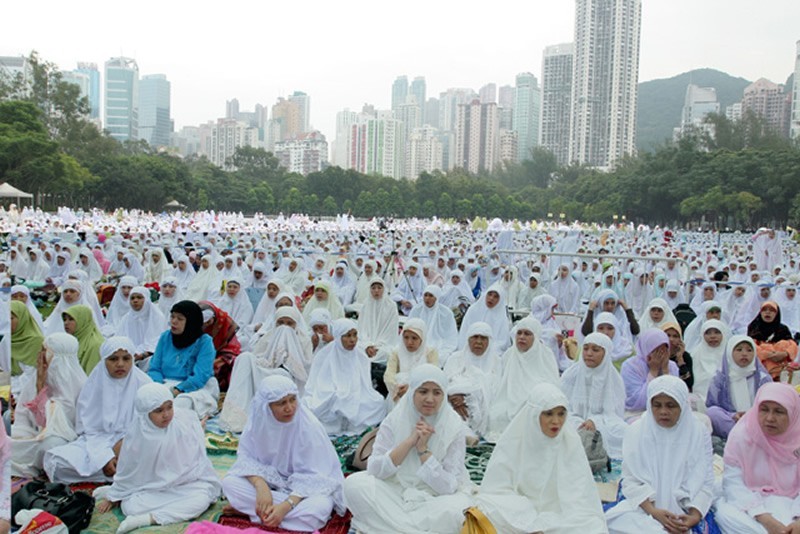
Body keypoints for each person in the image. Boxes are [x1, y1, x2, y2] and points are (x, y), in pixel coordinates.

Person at [344, 364, 471, 534]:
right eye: (423, 391)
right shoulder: (395, 419)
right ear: (412, 392)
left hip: (434, 498)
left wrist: (423, 450)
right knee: (354, 485)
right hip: (395, 490)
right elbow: (374, 469)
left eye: (437, 392)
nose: (430, 399)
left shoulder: (454, 426)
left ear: (444, 395)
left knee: (457, 510)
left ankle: (391, 527)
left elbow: (448, 487)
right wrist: (410, 441)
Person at [475, 382, 608, 533]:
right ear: (534, 413)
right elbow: (496, 489)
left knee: (593, 525)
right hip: (520, 511)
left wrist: (554, 520)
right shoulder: (514, 440)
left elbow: (579, 494)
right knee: (486, 507)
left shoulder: (570, 441)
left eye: (561, 414)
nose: (556, 421)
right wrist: (527, 515)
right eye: (549, 413)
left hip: (560, 515)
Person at [93, 383, 221, 534]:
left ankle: (148, 519)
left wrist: (197, 430)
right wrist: (114, 496)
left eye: (169, 407)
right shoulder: (138, 436)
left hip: (183, 484)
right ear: (145, 413)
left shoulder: (181, 423)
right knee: (131, 507)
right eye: (159, 410)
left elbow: (195, 458)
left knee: (201, 500)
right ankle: (119, 492)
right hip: (151, 487)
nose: (166, 414)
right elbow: (128, 470)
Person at [221, 375, 345, 530]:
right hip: (270, 483)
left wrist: (286, 506)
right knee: (230, 483)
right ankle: (271, 514)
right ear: (267, 407)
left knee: (318, 508)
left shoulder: (308, 426)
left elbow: (317, 476)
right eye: (281, 403)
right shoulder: (258, 423)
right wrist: (260, 486)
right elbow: (246, 458)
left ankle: (257, 512)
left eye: (293, 399)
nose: (290, 408)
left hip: (305, 491)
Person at [605, 376, 714, 534]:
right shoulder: (636, 431)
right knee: (615, 521)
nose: (663, 412)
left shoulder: (698, 431)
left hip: (685, 509)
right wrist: (654, 512)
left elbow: (706, 481)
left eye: (671, 406)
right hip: (645, 508)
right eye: (657, 405)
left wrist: (694, 516)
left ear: (682, 406)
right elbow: (631, 480)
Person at [43, 337, 152, 483]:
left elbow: (150, 425)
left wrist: (122, 445)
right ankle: (121, 474)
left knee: (149, 457)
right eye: (113, 359)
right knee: (54, 461)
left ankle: (120, 472)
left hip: (134, 443)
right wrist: (104, 457)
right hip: (97, 443)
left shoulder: (145, 385)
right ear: (104, 360)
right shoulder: (93, 385)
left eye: (126, 358)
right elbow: (89, 429)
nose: (120, 364)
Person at [714, 382, 800, 533]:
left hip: (792, 504)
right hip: (752, 503)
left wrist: (798, 520)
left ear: (793, 413)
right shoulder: (742, 435)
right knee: (725, 514)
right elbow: (733, 484)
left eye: (779, 412)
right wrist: (766, 519)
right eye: (764, 410)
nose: (770, 418)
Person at [219, 307, 312, 433]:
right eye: (281, 323)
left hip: (287, 376)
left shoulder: (303, 339)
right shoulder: (268, 336)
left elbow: (305, 370)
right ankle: (236, 416)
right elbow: (258, 356)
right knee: (244, 357)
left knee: (279, 375)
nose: (285, 327)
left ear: (296, 324)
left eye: (289, 323)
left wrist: (287, 357)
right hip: (265, 370)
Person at [11, 333, 87, 477]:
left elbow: (58, 424)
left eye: (44, 351)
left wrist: (40, 388)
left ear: (56, 356)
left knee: (50, 446)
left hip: (67, 439)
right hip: (36, 433)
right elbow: (25, 417)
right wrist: (39, 382)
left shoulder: (80, 383)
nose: (40, 356)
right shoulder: (39, 375)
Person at [303, 318, 386, 435]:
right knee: (332, 402)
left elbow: (365, 385)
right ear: (338, 337)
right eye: (347, 336)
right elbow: (318, 383)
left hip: (358, 393)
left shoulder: (361, 355)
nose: (352, 340)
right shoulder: (324, 354)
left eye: (355, 335)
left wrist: (351, 393)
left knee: (378, 403)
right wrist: (337, 392)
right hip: (332, 393)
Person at [488, 317, 559, 440]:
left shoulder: (546, 355)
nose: (521, 337)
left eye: (527, 334)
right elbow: (500, 384)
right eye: (519, 333)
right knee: (497, 414)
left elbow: (552, 385)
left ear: (536, 337)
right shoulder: (509, 355)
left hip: (535, 401)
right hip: (508, 400)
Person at [148, 300, 219, 418]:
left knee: (180, 405)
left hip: (194, 388)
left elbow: (200, 376)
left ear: (191, 322)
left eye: (180, 319)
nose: (173, 322)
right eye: (172, 317)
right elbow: (155, 367)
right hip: (164, 383)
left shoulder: (204, 342)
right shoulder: (166, 337)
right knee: (148, 398)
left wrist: (177, 390)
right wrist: (158, 386)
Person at [561, 332, 627, 458]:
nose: (589, 354)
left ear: (606, 353)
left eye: (595, 350)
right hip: (574, 421)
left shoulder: (614, 378)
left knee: (623, 431)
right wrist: (579, 421)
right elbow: (562, 407)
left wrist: (594, 421)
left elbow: (614, 414)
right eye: (585, 349)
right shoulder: (571, 374)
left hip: (602, 424)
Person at [706, 335, 772, 439]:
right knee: (712, 413)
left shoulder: (763, 379)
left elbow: (770, 405)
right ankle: (744, 437)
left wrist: (751, 415)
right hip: (732, 421)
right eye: (739, 350)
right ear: (729, 353)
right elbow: (712, 405)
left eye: (749, 350)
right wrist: (732, 415)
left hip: (757, 420)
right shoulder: (719, 378)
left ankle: (745, 437)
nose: (744, 354)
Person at [443, 321, 502, 439]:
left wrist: (473, 397)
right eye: (475, 337)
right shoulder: (455, 359)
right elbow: (444, 385)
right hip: (455, 407)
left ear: (489, 341)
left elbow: (498, 390)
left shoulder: (496, 362)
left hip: (487, 411)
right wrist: (453, 397)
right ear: (468, 339)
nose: (479, 342)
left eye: (483, 338)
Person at [620, 329, 678, 412]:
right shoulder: (630, 366)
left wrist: (665, 371)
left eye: (664, 349)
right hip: (636, 413)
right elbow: (636, 402)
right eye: (656, 350)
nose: (661, 354)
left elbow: (675, 397)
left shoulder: (672, 366)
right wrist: (653, 371)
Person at [384, 318, 439, 403]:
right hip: (399, 392)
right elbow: (389, 374)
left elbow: (433, 375)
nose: (409, 342)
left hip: (422, 392)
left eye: (414, 338)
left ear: (422, 339)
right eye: (406, 337)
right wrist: (397, 388)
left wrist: (412, 388)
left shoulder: (430, 353)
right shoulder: (397, 352)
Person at [408, 285, 459, 365]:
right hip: (416, 341)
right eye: (425, 295)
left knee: (442, 357)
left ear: (436, 297)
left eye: (431, 296)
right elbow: (409, 329)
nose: (427, 298)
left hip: (440, 343)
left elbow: (450, 335)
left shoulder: (445, 313)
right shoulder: (417, 310)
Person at [117, 286, 166, 370]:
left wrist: (143, 354)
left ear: (146, 299)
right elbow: (119, 339)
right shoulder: (126, 318)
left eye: (139, 297)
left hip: (150, 355)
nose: (135, 301)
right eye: (132, 298)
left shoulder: (157, 317)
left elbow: (160, 341)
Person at [747, 301, 798, 380]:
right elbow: (750, 347)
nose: (768, 312)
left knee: (783, 344)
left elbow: (793, 346)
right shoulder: (754, 328)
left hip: (781, 370)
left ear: (776, 313)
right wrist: (768, 354)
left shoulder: (783, 329)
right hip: (760, 370)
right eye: (765, 310)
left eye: (771, 310)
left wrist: (785, 353)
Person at [199, 300, 242, 392]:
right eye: (204, 323)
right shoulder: (193, 326)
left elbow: (232, 349)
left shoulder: (224, 322)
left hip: (224, 354)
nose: (207, 325)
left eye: (209, 321)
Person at [457, 285, 512, 352]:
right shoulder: (473, 310)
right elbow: (464, 332)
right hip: (469, 348)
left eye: (495, 297)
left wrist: (485, 350)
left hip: (492, 352)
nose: (491, 298)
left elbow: (502, 342)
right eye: (489, 294)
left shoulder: (502, 317)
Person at [62, 304, 105, 374]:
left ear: (83, 320)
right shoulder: (73, 341)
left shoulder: (95, 345)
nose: (66, 323)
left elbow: (92, 376)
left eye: (71, 319)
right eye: (64, 319)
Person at [10, 300, 44, 377]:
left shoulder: (35, 340)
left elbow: (32, 374)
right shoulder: (5, 339)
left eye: (11, 318)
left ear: (23, 318)